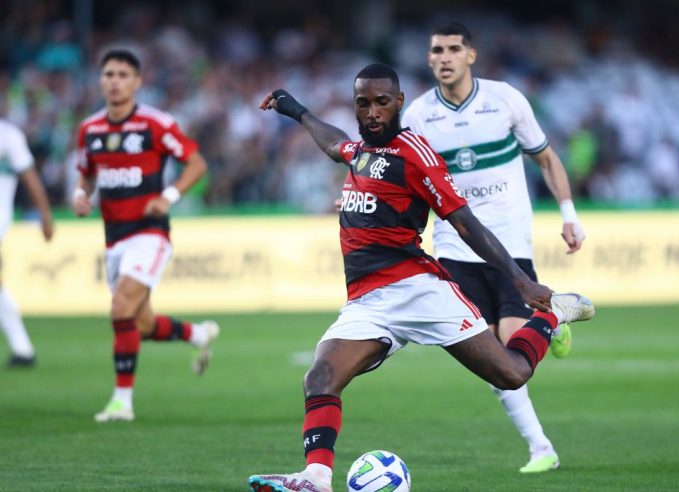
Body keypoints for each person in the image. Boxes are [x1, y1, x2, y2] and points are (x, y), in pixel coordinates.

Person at [247, 63, 594, 492]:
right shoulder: (362, 151)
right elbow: (335, 144)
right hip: (367, 302)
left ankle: (553, 315)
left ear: (398, 104)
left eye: (381, 103)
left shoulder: (415, 154)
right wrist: (295, 110)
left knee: (511, 373)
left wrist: (521, 281)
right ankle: (316, 477)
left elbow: (466, 223)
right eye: (363, 103)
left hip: (418, 290)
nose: (372, 111)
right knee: (320, 377)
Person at [400, 22, 587, 473]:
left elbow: (545, 157)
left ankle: (550, 319)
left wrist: (569, 214)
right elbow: (400, 177)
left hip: (509, 247)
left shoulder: (505, 99)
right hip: (453, 248)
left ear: (471, 55)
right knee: (494, 360)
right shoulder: (419, 115)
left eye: (452, 49)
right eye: (436, 50)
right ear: (429, 59)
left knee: (508, 345)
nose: (443, 57)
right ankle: (541, 447)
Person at [72, 49, 219, 423]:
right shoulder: (90, 130)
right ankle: (196, 334)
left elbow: (196, 162)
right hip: (113, 238)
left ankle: (122, 402)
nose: (115, 80)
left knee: (120, 307)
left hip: (149, 234)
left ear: (137, 82)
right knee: (139, 324)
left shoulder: (154, 125)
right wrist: (81, 194)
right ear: (101, 79)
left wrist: (168, 196)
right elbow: (86, 172)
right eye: (109, 73)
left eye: (123, 74)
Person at [0, 118, 53, 367]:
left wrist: (45, 214)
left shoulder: (8, 135)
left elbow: (29, 176)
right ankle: (22, 348)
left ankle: (23, 348)